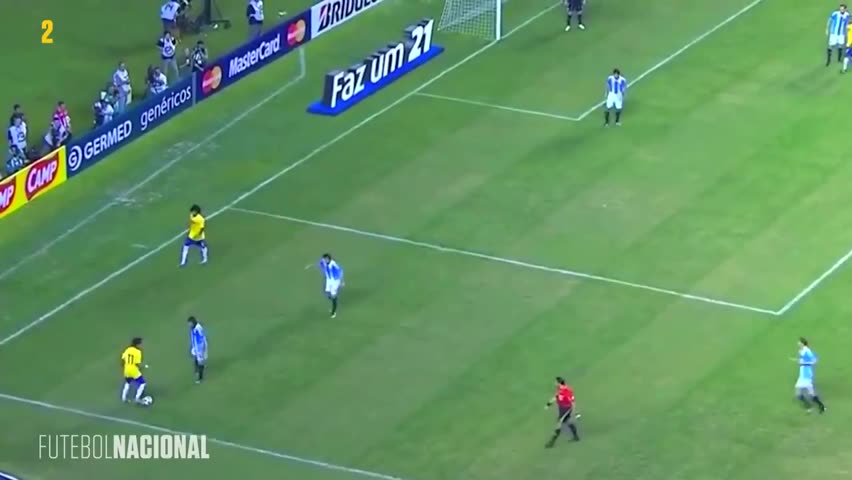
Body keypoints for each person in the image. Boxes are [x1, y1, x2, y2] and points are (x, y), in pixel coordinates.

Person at [545, 376, 580, 447]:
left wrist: (576, 413)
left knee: (559, 423)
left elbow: (573, 402)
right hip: (561, 408)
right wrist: (549, 404)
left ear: (559, 383)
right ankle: (576, 437)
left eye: (555, 382)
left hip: (566, 408)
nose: (554, 383)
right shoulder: (560, 389)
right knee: (567, 421)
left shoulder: (567, 391)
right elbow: (556, 397)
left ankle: (551, 442)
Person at [794, 338, 826, 413]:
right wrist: (800, 361)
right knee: (811, 393)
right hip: (803, 374)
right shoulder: (801, 351)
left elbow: (814, 361)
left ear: (802, 343)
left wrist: (803, 363)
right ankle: (821, 407)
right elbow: (803, 360)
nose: (798, 343)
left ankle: (809, 407)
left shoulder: (807, 351)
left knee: (798, 393)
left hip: (806, 375)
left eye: (799, 342)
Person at [120, 337, 148, 404]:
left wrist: (124, 367)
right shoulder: (138, 352)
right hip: (133, 370)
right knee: (142, 383)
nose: (142, 345)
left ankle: (123, 398)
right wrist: (142, 367)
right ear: (137, 344)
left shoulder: (128, 349)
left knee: (128, 382)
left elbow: (122, 359)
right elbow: (137, 363)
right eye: (141, 344)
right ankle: (137, 398)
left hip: (126, 369)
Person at [319, 253, 343, 318]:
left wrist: (341, 281)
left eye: (326, 259)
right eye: (324, 259)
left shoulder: (333, 264)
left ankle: (333, 312)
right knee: (326, 292)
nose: (325, 260)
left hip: (334, 281)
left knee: (333, 296)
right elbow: (320, 264)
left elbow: (340, 271)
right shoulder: (323, 262)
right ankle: (334, 298)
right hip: (328, 280)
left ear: (329, 259)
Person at [188, 316, 208, 384]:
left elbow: (201, 338)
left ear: (193, 322)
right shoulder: (193, 328)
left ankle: (200, 378)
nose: (189, 325)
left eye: (190, 323)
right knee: (195, 357)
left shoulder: (198, 328)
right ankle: (197, 370)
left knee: (200, 361)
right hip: (195, 346)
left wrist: (200, 349)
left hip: (200, 347)